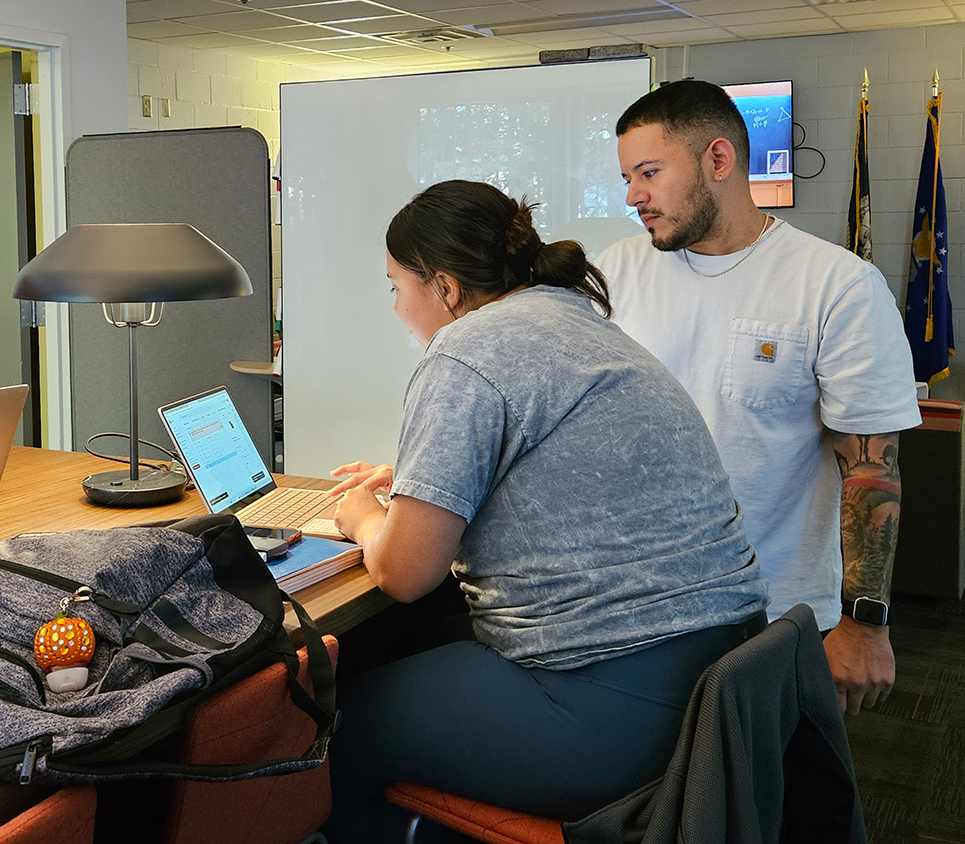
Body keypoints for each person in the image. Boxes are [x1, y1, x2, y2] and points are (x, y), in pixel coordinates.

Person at [321, 180, 768, 840]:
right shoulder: (576, 320)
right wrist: (423, 481)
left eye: (397, 287)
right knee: (391, 651)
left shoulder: (468, 347)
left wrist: (362, 514)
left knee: (326, 716)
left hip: (607, 707)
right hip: (717, 688)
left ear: (443, 288)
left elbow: (405, 572)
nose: (396, 308)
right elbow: (565, 466)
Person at [596, 80, 921, 715]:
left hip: (778, 613)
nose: (633, 195)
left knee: (776, 798)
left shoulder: (837, 284)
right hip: (640, 604)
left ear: (718, 161)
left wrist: (866, 621)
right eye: (628, 176)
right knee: (666, 805)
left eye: (649, 173)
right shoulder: (616, 272)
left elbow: (872, 471)